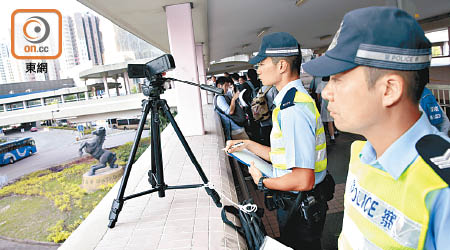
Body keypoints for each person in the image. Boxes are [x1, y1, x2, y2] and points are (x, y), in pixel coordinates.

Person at [303, 6, 450, 250]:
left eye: (338, 79)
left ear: (389, 89)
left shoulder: (441, 189)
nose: (327, 92)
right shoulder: (361, 155)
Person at [226, 32, 329, 250]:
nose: (258, 70)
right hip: (300, 201)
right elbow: (284, 156)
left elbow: (303, 180)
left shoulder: (293, 109)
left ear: (281, 66)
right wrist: (248, 146)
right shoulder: (290, 102)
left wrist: (262, 181)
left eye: (262, 64)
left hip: (299, 203)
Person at [315, 76, 336, 143]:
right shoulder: (332, 84)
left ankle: (330, 137)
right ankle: (333, 134)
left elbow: (318, 94)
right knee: (332, 120)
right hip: (333, 103)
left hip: (324, 105)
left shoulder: (320, 84)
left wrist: (319, 101)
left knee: (326, 122)